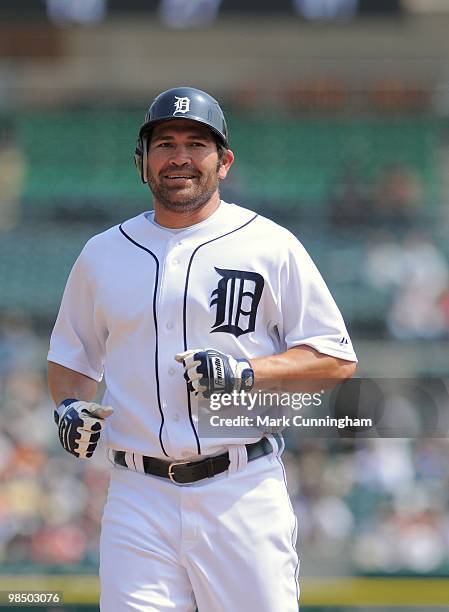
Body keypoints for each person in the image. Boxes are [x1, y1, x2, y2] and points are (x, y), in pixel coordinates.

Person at [47, 86, 357, 611]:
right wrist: (69, 406)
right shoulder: (102, 254)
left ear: (224, 161)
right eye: (164, 143)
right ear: (142, 161)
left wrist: (246, 373)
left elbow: (334, 358)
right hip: (136, 494)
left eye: (197, 143)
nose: (180, 157)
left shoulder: (268, 244)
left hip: (239, 488)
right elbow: (70, 360)